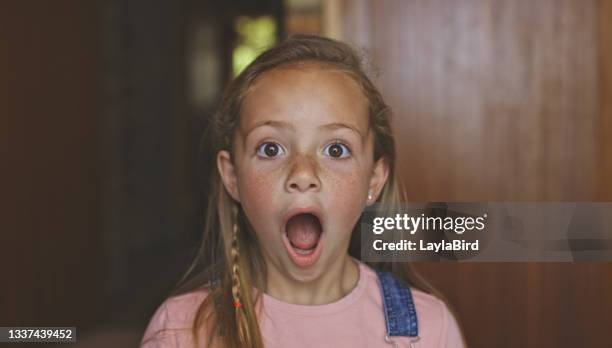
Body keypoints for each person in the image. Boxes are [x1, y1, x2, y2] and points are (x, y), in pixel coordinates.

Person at [141, 34, 465, 348]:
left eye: (336, 150)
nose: (303, 174)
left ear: (374, 181)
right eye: (270, 149)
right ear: (232, 177)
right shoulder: (180, 331)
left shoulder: (429, 329)